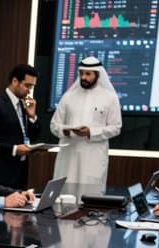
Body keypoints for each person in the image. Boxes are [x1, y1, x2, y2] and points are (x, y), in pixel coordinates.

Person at [49, 56, 122, 200]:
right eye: (82, 73)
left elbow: (116, 127)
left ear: (97, 74)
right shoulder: (68, 96)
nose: (84, 77)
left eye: (88, 74)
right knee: (64, 200)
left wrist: (91, 132)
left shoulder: (110, 98)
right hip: (68, 158)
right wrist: (66, 130)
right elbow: (54, 125)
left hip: (93, 159)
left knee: (90, 202)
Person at [0, 64, 45, 188]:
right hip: (1, 172)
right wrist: (14, 149)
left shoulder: (23, 105)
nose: (29, 91)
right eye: (27, 85)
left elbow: (32, 136)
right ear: (15, 81)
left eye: (32, 87)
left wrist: (32, 117)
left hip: (20, 172)